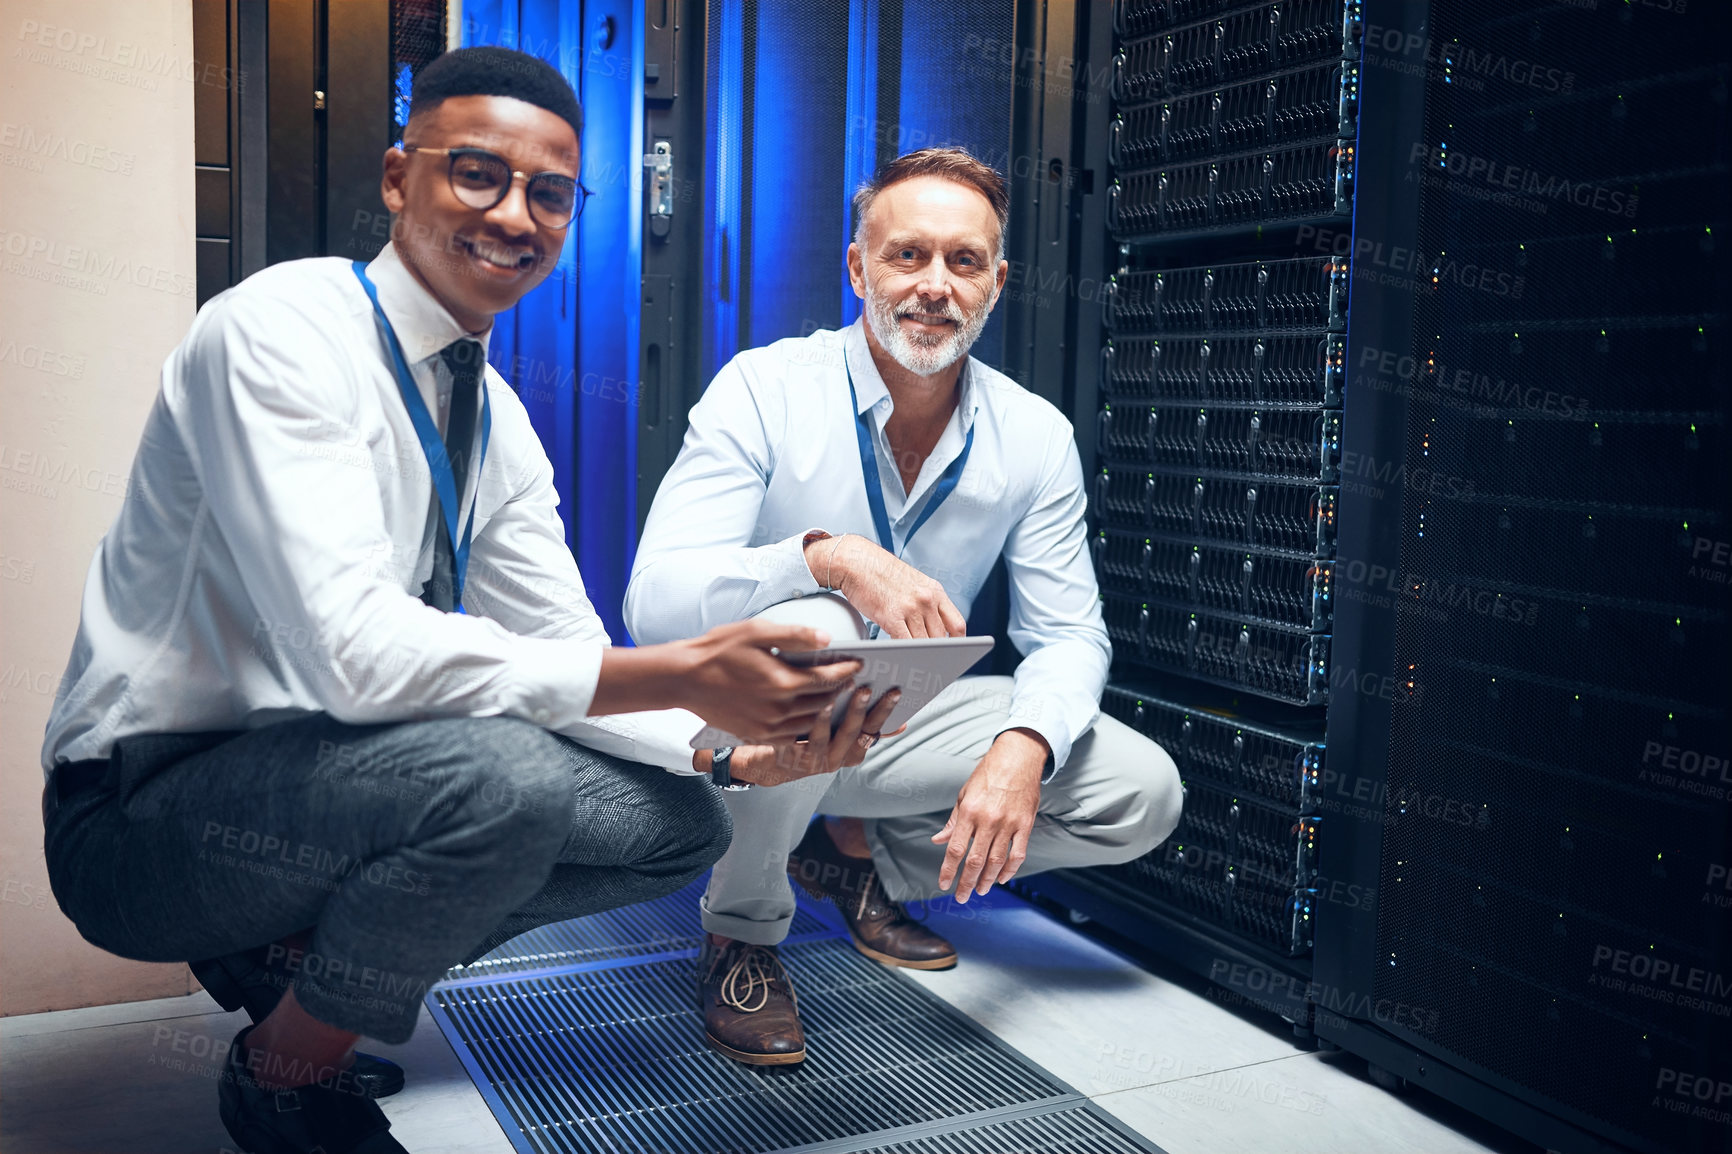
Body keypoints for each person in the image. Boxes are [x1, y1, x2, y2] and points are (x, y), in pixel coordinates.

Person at [39, 47, 891, 1154]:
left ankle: (303, 977)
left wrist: (732, 756)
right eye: (475, 174)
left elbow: (563, 651)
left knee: (674, 822)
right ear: (399, 178)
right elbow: (346, 653)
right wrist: (683, 669)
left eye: (547, 193)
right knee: (507, 778)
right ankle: (286, 1072)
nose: (514, 215)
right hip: (143, 813)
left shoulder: (494, 419)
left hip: (330, 782)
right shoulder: (279, 332)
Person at [625, 146, 1184, 1067]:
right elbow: (654, 602)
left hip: (897, 726)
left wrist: (1025, 746)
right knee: (825, 627)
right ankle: (744, 929)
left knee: (1139, 792)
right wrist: (828, 557)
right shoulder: (764, 389)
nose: (935, 286)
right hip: (739, 730)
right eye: (906, 255)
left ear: (996, 284)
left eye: (964, 262)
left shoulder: (1036, 437)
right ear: (857, 268)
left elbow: (1070, 634)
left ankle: (854, 859)